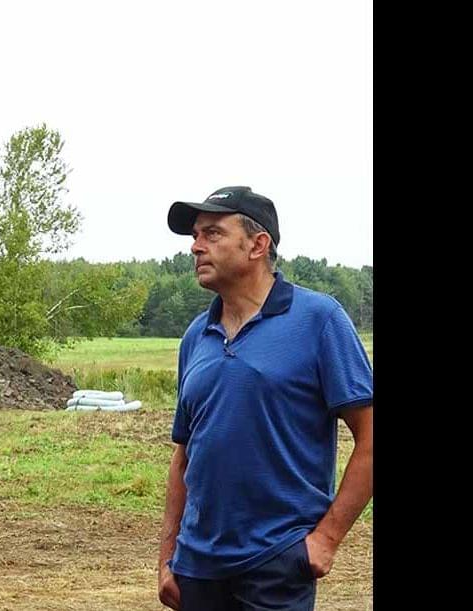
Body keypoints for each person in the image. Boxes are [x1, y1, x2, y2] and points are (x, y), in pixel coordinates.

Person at [156, 186, 373, 610]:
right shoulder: (196, 336)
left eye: (212, 233)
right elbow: (184, 456)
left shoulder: (319, 320)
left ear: (258, 245)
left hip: (277, 562)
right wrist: (167, 559)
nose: (196, 246)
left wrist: (326, 539)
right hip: (197, 567)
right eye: (195, 236)